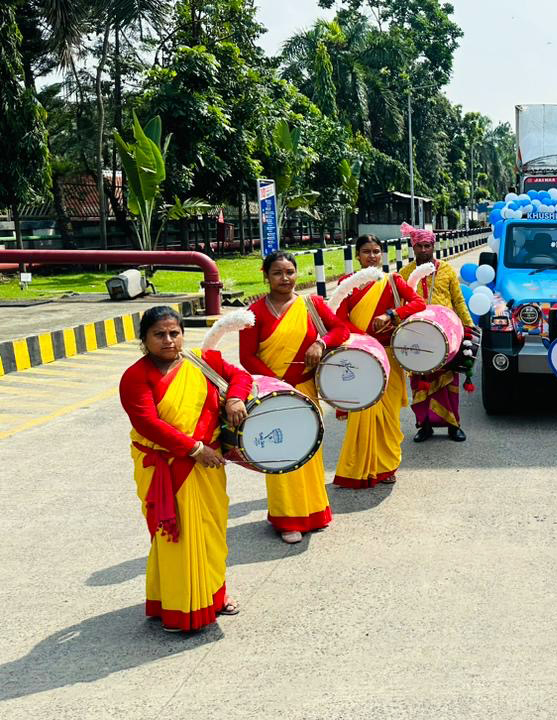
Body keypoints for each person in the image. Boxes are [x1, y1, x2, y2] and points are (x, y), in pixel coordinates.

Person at [119, 306, 252, 632]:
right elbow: (148, 423)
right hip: (166, 468)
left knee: (210, 534)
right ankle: (177, 606)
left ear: (182, 334)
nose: (168, 340)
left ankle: (215, 595)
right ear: (144, 339)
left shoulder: (202, 362)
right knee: (174, 538)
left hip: (208, 465)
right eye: (159, 335)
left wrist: (235, 399)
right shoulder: (135, 377)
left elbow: (241, 377)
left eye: (174, 333)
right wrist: (195, 450)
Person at [239, 251, 351, 543]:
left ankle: (315, 512)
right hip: (273, 395)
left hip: (305, 390)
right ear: (266, 275)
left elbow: (341, 329)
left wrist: (321, 342)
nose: (285, 278)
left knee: (309, 450)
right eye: (277, 273)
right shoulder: (254, 313)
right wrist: (277, 385)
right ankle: (287, 519)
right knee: (280, 451)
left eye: (290, 272)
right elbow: (246, 357)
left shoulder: (311, 304)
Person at [332, 234, 425, 488]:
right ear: (357, 256)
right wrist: (364, 341)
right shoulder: (347, 284)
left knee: (389, 413)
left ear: (382, 254)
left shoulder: (393, 280)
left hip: (388, 356)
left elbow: (418, 303)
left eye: (375, 251)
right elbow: (339, 320)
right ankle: (358, 468)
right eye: (366, 252)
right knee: (361, 411)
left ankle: (386, 467)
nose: (371, 256)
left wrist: (392, 314)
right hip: (360, 356)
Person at [399, 225, 474, 442]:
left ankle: (453, 426)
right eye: (419, 246)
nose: (423, 250)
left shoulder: (447, 270)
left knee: (449, 382)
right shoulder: (404, 274)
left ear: (433, 246)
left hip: (447, 336)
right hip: (416, 336)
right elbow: (400, 304)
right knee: (419, 382)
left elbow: (458, 300)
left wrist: (468, 327)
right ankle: (424, 426)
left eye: (427, 246)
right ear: (413, 248)